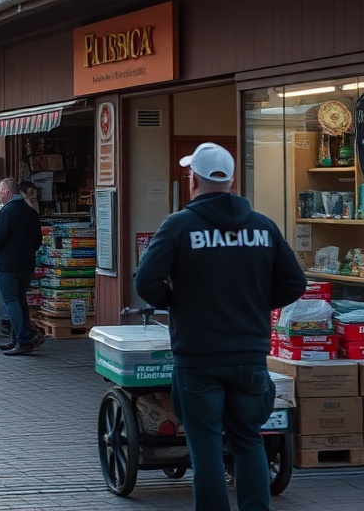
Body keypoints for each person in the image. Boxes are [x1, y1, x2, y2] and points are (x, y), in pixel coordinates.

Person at [134, 142, 306, 511]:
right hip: (249, 356)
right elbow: (294, 283)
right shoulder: (263, 227)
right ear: (232, 181)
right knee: (248, 441)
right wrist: (256, 304)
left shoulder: (179, 226)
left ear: (193, 178)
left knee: (206, 447)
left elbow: (146, 282)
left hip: (198, 357)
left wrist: (178, 304)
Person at [0, 177, 44, 356]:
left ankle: (24, 339)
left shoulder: (6, 212)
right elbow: (38, 240)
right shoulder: (31, 212)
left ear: (6, 192)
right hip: (27, 265)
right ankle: (17, 338)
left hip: (8, 265)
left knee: (10, 301)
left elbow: (0, 237)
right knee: (20, 300)